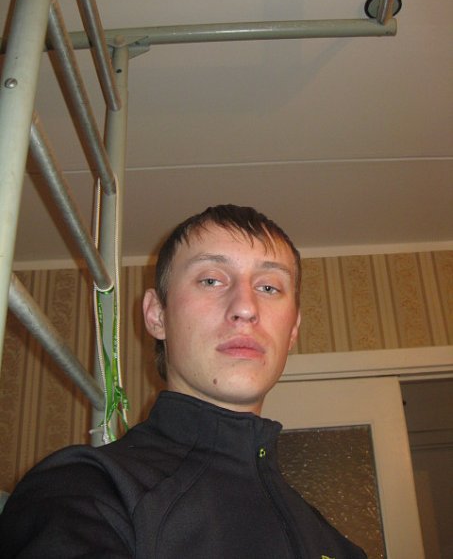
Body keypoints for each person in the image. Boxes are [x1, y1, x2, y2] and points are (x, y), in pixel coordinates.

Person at [0, 204, 367, 558]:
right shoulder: (83, 490)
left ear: (293, 330)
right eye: (211, 280)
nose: (245, 308)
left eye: (269, 287)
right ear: (156, 315)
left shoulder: (339, 546)